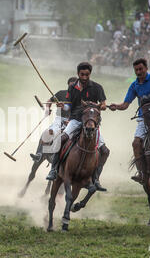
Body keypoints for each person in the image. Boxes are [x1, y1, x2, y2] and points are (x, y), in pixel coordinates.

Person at [46, 62, 110, 192]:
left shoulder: (97, 87)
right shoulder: (72, 88)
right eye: (82, 74)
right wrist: (63, 106)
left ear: (90, 74)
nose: (85, 77)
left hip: (91, 122)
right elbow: (70, 106)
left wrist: (99, 106)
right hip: (76, 120)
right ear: (78, 74)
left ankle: (96, 178)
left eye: (87, 74)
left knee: (105, 151)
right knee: (60, 139)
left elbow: (103, 104)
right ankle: (54, 170)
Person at [30, 77, 75, 163]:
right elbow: (49, 101)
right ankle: (39, 154)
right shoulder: (61, 93)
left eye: (74, 86)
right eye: (70, 86)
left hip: (73, 120)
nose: (72, 88)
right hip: (59, 119)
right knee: (47, 132)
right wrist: (47, 110)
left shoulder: (80, 97)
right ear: (68, 85)